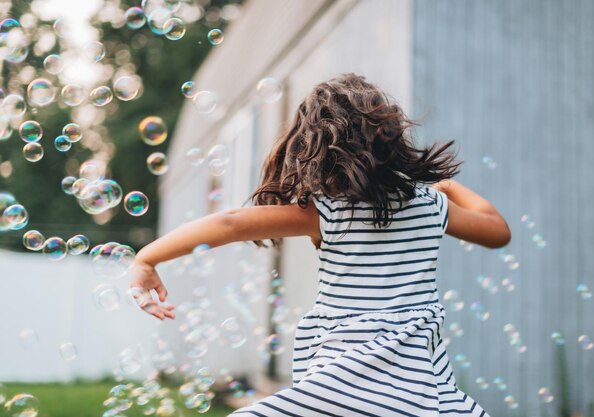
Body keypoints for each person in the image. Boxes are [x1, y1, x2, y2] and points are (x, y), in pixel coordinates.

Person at [130, 73, 510, 416]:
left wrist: (147, 258)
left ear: (315, 144)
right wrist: (447, 187)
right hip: (417, 395)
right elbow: (497, 231)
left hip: (338, 388)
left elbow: (229, 223)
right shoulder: (433, 205)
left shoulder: (325, 210)